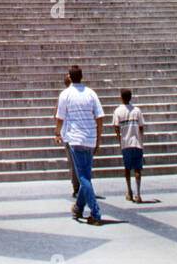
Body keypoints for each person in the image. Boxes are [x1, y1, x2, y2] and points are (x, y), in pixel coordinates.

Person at [55, 63, 105, 224]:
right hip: (90, 138)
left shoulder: (65, 94)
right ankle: (78, 208)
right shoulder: (91, 93)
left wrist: (57, 133)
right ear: (81, 77)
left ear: (69, 78)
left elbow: (60, 117)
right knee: (86, 176)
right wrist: (98, 138)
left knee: (83, 177)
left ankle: (96, 214)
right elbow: (99, 117)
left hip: (75, 139)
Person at [112, 89, 145, 202]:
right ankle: (138, 194)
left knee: (127, 168)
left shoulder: (118, 111)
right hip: (136, 142)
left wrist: (119, 139)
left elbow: (116, 126)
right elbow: (141, 127)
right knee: (137, 169)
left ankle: (129, 191)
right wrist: (142, 140)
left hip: (125, 143)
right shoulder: (137, 110)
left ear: (121, 97)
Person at [56, 74, 80, 199]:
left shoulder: (64, 95)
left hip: (68, 133)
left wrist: (58, 133)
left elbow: (57, 115)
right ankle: (79, 186)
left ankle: (77, 187)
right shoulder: (77, 94)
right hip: (78, 132)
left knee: (73, 162)